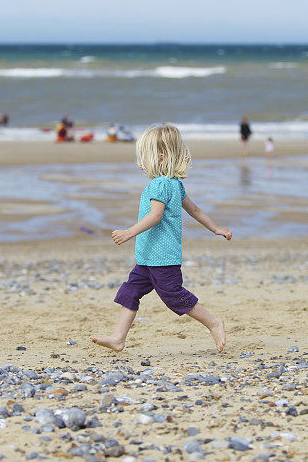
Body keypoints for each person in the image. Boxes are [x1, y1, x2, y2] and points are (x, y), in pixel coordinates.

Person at [91, 123, 231, 353]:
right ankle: (118, 337)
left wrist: (129, 232)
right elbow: (195, 210)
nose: (140, 163)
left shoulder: (159, 185)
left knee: (173, 296)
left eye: (143, 157)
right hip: (148, 257)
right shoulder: (175, 184)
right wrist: (215, 228)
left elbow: (155, 216)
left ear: (161, 157)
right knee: (130, 291)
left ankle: (214, 323)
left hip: (162, 257)